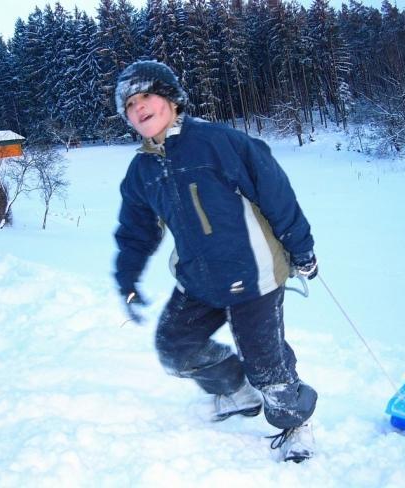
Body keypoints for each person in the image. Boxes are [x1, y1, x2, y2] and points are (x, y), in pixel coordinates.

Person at [113, 60, 318, 463]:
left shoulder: (217, 142)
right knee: (175, 347)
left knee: (268, 365)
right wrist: (127, 280)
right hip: (199, 279)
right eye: (130, 104)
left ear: (171, 98)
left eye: (147, 96)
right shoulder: (142, 171)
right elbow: (136, 232)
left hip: (253, 274)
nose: (139, 108)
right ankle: (236, 391)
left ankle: (296, 422)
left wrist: (302, 248)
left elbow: (275, 193)